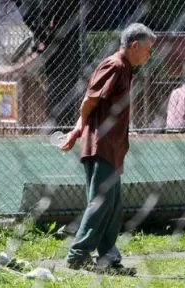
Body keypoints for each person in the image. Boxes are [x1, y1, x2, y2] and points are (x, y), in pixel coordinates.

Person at [58, 23, 156, 275]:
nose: (149, 55)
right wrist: (77, 131)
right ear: (135, 46)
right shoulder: (114, 65)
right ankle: (78, 254)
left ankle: (108, 256)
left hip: (112, 147)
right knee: (101, 202)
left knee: (112, 205)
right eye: (148, 49)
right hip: (101, 144)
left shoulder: (126, 68)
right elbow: (89, 100)